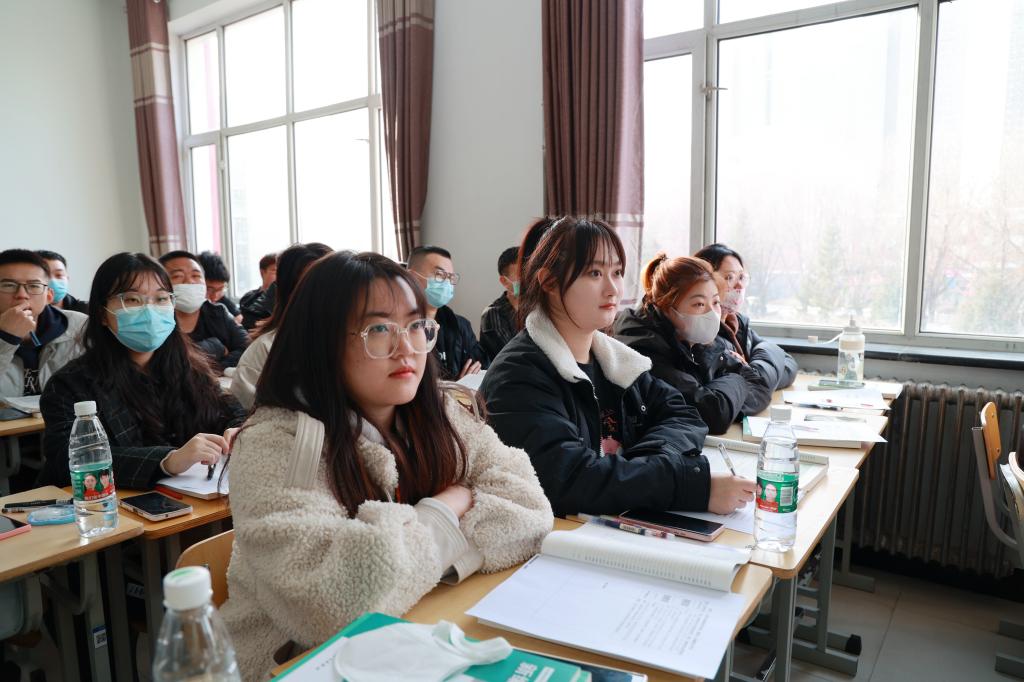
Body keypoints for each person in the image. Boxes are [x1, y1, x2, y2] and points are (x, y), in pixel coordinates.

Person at [219, 251, 552, 680]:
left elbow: (530, 508)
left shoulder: (439, 412)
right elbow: (328, 604)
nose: (406, 348)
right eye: (378, 329)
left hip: (412, 637)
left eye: (415, 326)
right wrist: (447, 507)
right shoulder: (277, 442)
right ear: (321, 340)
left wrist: (404, 565)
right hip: (294, 663)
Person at [481, 217, 753, 518]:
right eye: (595, 273)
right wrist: (690, 487)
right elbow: (570, 480)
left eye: (617, 272)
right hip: (559, 538)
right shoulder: (518, 376)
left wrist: (644, 469)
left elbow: (684, 415)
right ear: (549, 282)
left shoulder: (617, 362)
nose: (613, 289)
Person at [39, 252, 246, 490]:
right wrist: (167, 461)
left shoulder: (191, 367)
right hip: (110, 504)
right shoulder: (70, 384)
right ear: (102, 314)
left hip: (193, 498)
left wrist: (237, 430)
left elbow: (230, 410)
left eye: (161, 299)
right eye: (132, 300)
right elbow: (68, 458)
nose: (150, 310)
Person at [614, 254, 774, 434]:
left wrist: (730, 401)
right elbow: (714, 413)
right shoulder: (644, 349)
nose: (712, 313)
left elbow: (760, 388)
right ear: (666, 308)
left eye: (715, 302)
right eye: (699, 304)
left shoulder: (695, 339)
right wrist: (738, 380)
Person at [230, 242, 332, 410]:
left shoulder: (357, 338)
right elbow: (249, 415)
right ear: (289, 293)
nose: (325, 294)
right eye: (310, 286)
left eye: (331, 283)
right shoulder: (266, 349)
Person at [694, 243, 798, 391]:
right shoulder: (702, 334)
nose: (740, 286)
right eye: (730, 277)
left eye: (741, 277)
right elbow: (753, 386)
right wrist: (764, 374)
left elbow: (788, 364)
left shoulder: (737, 323)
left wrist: (757, 371)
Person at [0, 249, 87, 396]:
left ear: (49, 296)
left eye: (34, 286)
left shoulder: (81, 326)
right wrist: (6, 339)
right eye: (9, 285)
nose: (21, 295)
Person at [406, 246, 488, 380]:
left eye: (451, 277)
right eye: (440, 275)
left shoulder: (460, 326)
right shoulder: (400, 328)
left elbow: (480, 369)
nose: (447, 283)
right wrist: (453, 387)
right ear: (412, 277)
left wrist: (463, 384)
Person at [159, 250, 249, 371]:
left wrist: (216, 366)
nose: (190, 282)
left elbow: (248, 347)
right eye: (178, 276)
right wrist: (215, 348)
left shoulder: (218, 313)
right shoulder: (154, 320)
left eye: (196, 276)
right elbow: (165, 364)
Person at [479, 246, 521, 359]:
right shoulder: (492, 314)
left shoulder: (539, 310)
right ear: (504, 281)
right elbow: (515, 356)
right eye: (521, 276)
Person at [197, 251, 242, 322]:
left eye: (220, 289)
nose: (214, 297)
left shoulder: (221, 299)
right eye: (209, 289)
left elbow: (238, 317)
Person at [240, 253, 278, 330]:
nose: (279, 275)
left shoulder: (284, 298)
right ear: (262, 272)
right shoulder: (247, 298)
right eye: (274, 271)